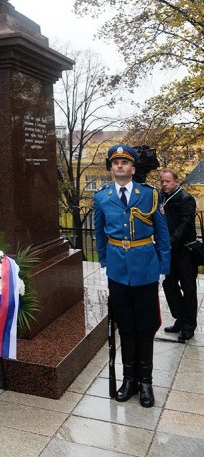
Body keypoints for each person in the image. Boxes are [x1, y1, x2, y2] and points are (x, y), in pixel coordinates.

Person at [94, 144, 170, 407]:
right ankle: (129, 380)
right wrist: (104, 264)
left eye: (125, 163)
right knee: (125, 327)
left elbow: (162, 235)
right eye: (115, 163)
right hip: (117, 271)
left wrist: (163, 269)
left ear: (133, 168)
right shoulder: (102, 197)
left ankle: (146, 382)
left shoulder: (150, 195)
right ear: (111, 168)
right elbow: (99, 234)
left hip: (146, 270)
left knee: (145, 326)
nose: (120, 167)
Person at [159, 169, 198, 343]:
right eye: (162, 181)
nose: (164, 184)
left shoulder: (185, 199)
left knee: (188, 288)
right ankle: (180, 319)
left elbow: (184, 225)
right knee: (169, 284)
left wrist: (169, 241)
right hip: (170, 251)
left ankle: (189, 326)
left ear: (176, 181)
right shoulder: (162, 197)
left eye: (168, 181)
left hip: (185, 251)